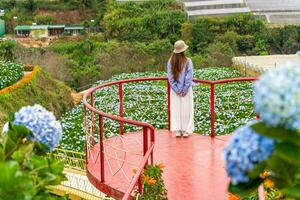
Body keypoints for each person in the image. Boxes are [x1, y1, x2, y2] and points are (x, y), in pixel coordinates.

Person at [167, 40, 194, 138]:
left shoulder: (170, 61)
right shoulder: (188, 61)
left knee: (176, 110)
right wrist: (184, 89)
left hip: (175, 91)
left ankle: (178, 130)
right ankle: (186, 130)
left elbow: (170, 78)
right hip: (186, 91)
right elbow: (189, 76)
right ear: (183, 50)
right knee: (187, 110)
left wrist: (177, 89)